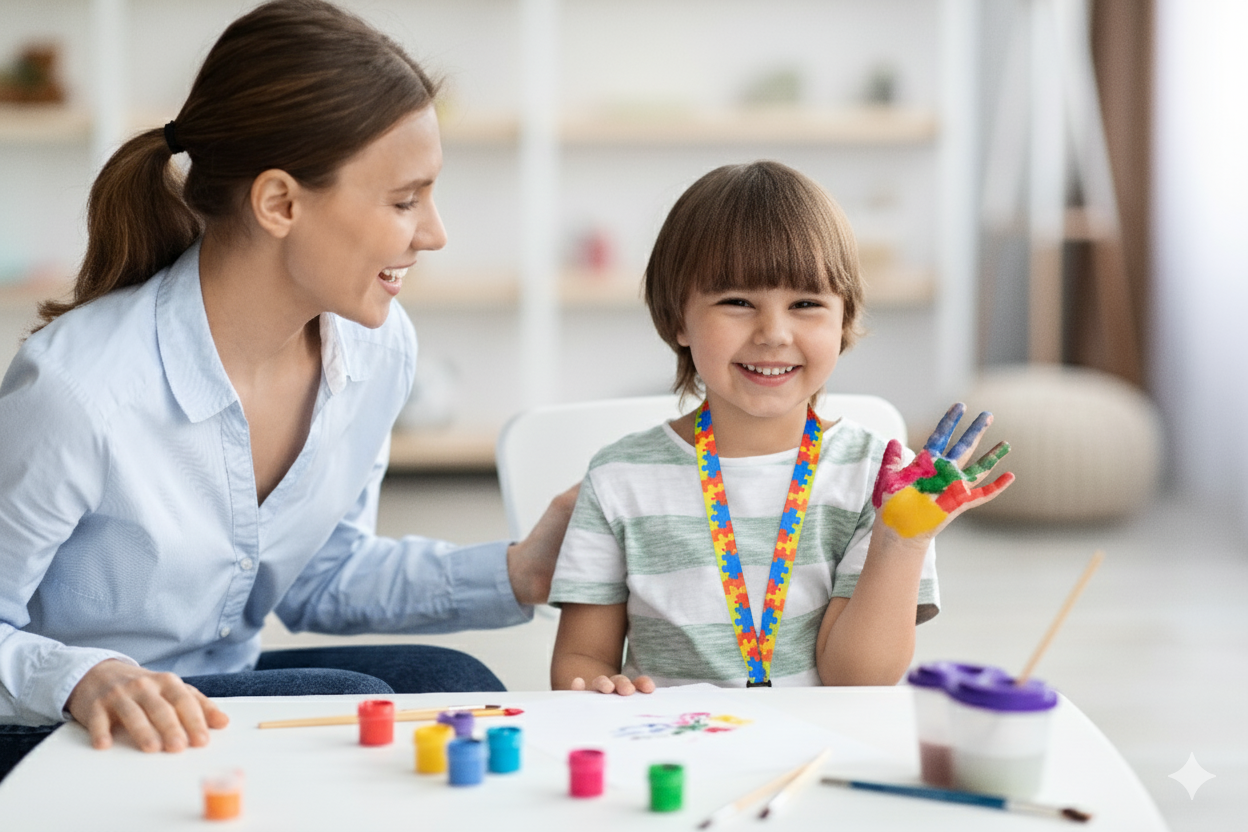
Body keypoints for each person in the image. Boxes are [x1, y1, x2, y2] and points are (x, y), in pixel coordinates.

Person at [0, 0, 576, 778]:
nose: (434, 233)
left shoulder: (376, 350)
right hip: (56, 728)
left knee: (457, 690)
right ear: (279, 203)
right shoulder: (79, 391)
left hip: (205, 701)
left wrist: (520, 570)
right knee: (354, 702)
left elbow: (319, 579)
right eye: (405, 200)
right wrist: (79, 676)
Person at [548, 161, 1013, 694]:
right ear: (678, 318)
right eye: (738, 303)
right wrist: (600, 690)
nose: (774, 333)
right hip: (673, 759)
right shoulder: (620, 477)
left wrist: (900, 542)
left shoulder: (887, 485)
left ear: (843, 320)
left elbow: (859, 682)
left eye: (806, 304)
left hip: (818, 759)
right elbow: (582, 658)